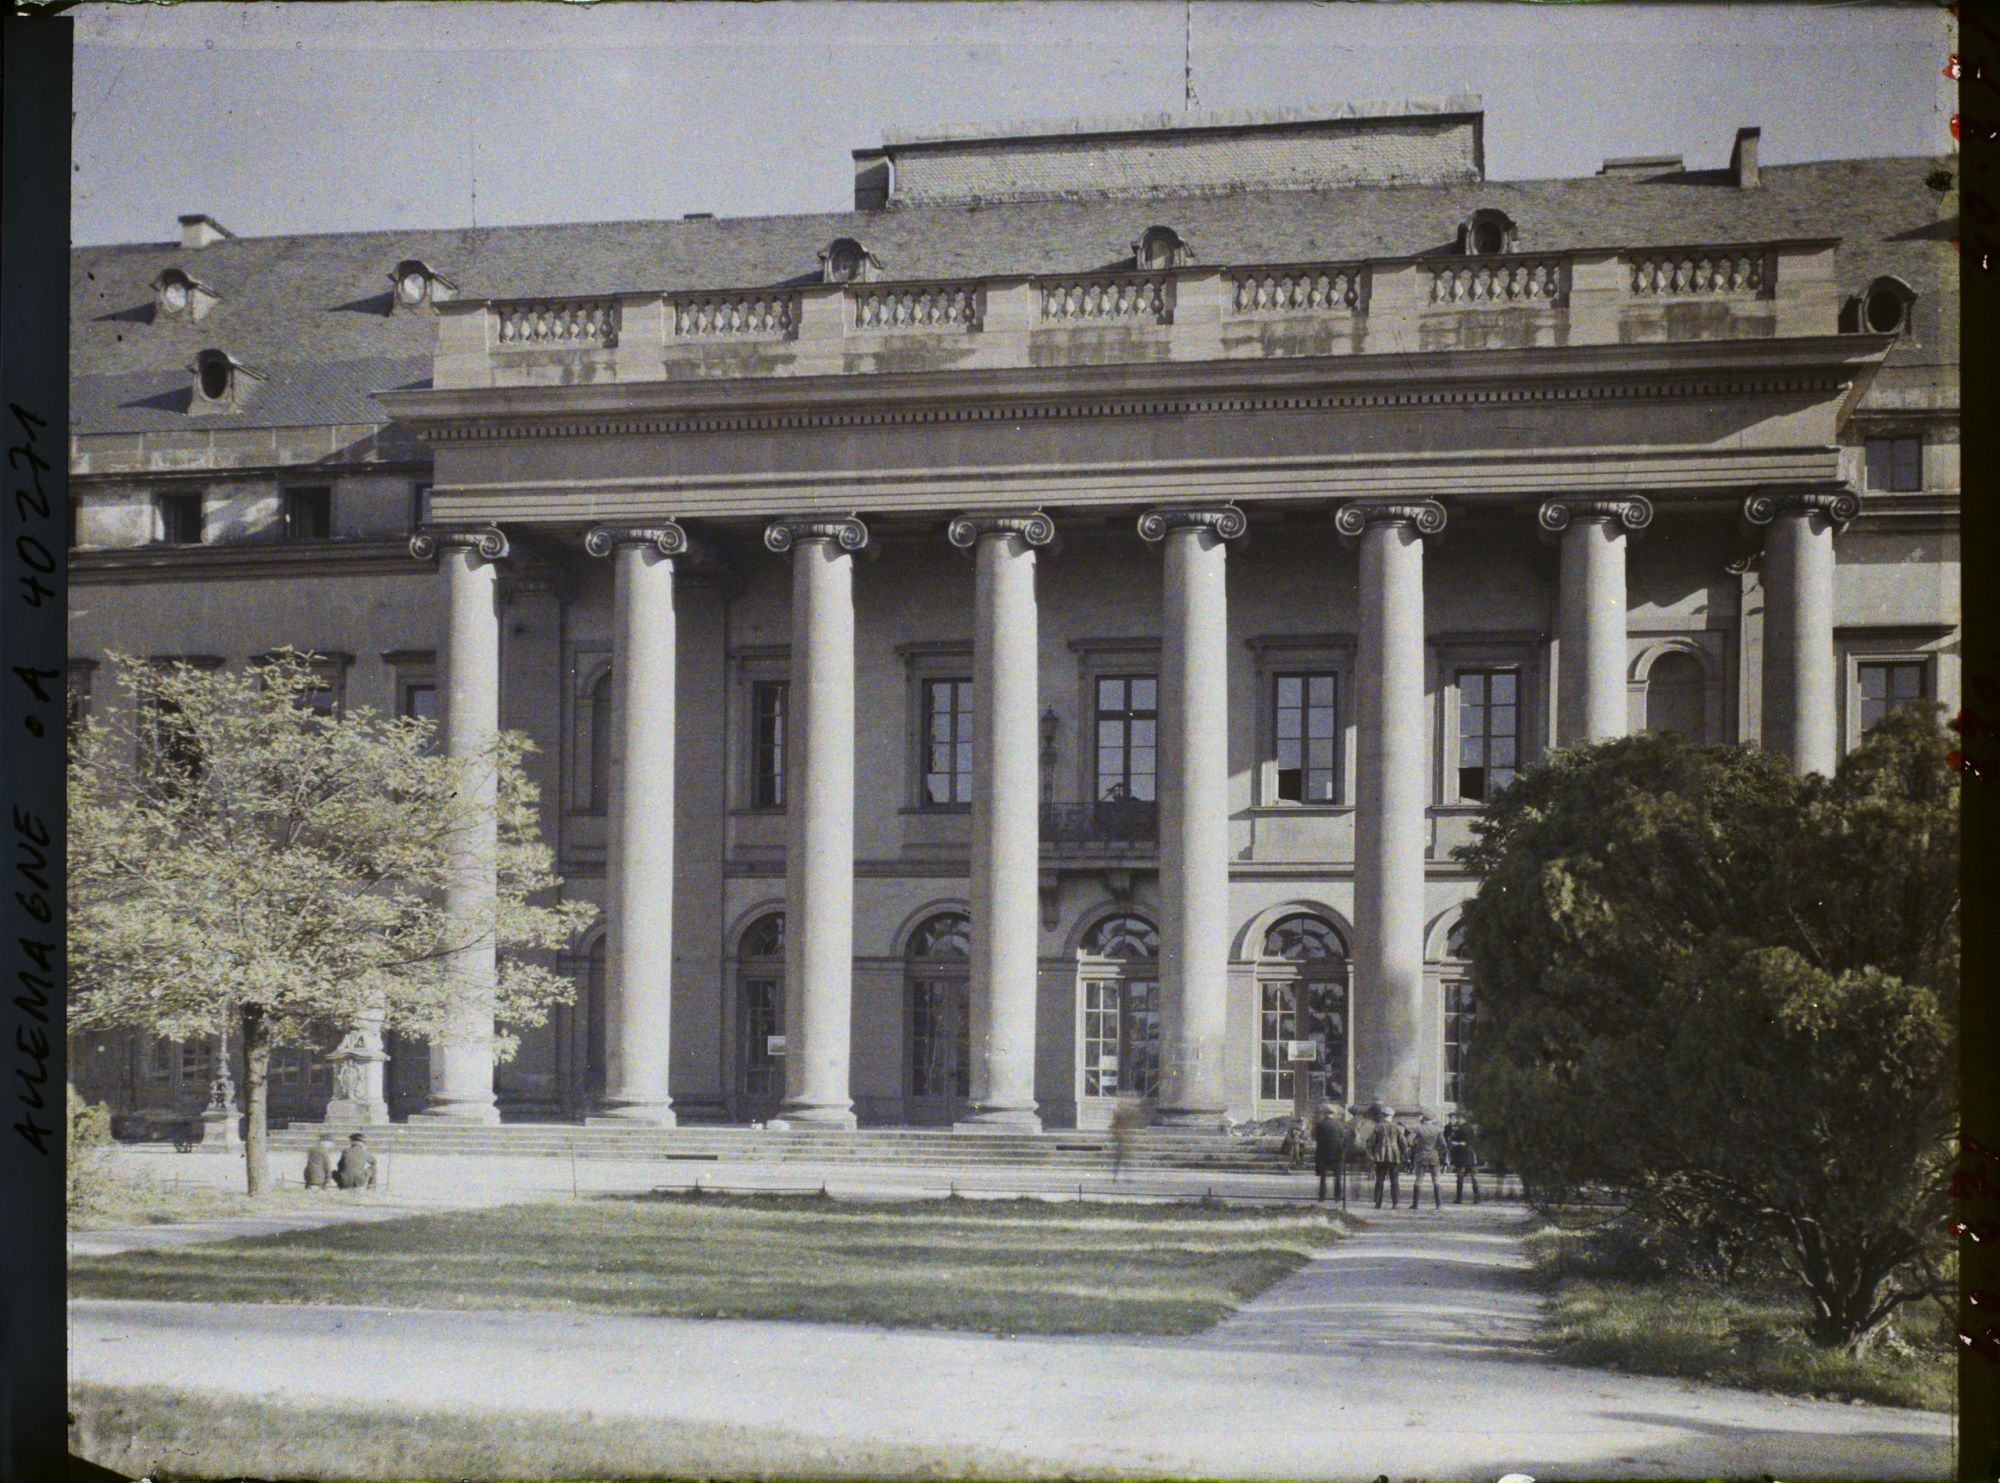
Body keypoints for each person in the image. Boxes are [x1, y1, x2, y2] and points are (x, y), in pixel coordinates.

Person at [1365, 1103, 1407, 1209]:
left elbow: (1371, 1142)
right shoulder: (1398, 1128)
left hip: (1380, 1155)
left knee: (1379, 1180)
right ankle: (1395, 1202)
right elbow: (1403, 1143)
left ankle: (1378, 1202)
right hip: (1394, 1155)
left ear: (1382, 1115)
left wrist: (1371, 1154)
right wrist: (1402, 1154)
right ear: (1392, 1116)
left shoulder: (1377, 1127)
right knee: (1394, 1180)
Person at [1312, 1102, 1350, 1205]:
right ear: (1334, 1113)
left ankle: (1322, 1197)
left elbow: (1314, 1136)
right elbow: (1343, 1137)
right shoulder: (1339, 1125)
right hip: (1337, 1154)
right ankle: (1337, 1197)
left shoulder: (1319, 1125)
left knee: (1323, 1177)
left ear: (1325, 1113)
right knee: (1337, 1177)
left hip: (1323, 1153)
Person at [1408, 1113, 1446, 1210]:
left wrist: (1415, 1148)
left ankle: (1415, 1204)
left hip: (1421, 1155)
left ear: (1423, 1119)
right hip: (1434, 1155)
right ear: (1432, 1119)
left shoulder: (1418, 1129)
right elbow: (1443, 1144)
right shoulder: (1438, 1130)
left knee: (1419, 1179)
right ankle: (1439, 1204)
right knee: (1436, 1179)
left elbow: (1409, 1140)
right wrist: (1438, 1151)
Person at [1445, 1112, 1481, 1205]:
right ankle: (1477, 1196)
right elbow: (1474, 1141)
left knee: (1460, 1176)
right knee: (1473, 1177)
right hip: (1470, 1154)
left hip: (1461, 1155)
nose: (1457, 1120)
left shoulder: (1459, 1129)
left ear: (1462, 1119)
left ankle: (1459, 1198)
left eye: (1458, 1118)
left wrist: (1455, 1142)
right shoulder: (1471, 1128)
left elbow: (1453, 1140)